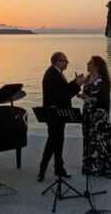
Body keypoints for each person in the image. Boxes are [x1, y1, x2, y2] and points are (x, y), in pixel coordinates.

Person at [38, 52, 86, 181]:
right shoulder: (52, 75)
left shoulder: (55, 73)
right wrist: (77, 84)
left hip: (57, 114)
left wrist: (75, 82)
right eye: (65, 60)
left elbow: (63, 89)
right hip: (55, 114)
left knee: (56, 142)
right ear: (57, 61)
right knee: (54, 142)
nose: (67, 62)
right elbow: (63, 95)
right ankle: (44, 170)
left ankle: (58, 169)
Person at [78, 56, 111, 179]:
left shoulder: (103, 81)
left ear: (96, 66)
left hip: (99, 114)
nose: (87, 63)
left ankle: (105, 167)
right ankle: (90, 166)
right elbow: (86, 95)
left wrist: (86, 98)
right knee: (88, 139)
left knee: (100, 140)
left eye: (90, 62)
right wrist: (78, 87)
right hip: (88, 113)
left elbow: (101, 100)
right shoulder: (87, 78)